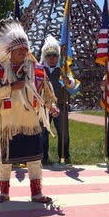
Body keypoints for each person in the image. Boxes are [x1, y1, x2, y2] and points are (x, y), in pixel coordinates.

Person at [0, 19, 59, 204]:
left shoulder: (38, 70)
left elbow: (46, 94)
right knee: (6, 161)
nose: (24, 52)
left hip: (31, 123)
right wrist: (11, 88)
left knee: (34, 160)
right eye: (20, 50)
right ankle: (4, 193)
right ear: (10, 51)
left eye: (26, 50)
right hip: (8, 123)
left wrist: (51, 106)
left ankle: (36, 193)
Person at [40, 36, 78, 165]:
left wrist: (68, 81)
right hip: (43, 107)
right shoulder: (40, 69)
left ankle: (64, 156)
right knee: (42, 133)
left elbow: (73, 84)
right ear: (45, 56)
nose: (52, 58)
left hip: (61, 106)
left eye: (54, 55)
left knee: (63, 134)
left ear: (58, 56)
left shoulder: (63, 69)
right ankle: (43, 157)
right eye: (49, 55)